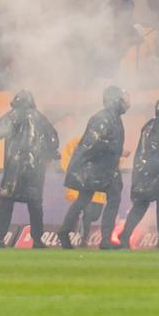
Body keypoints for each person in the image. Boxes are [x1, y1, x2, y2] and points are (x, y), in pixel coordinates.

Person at [0, 89, 60, 248]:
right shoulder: (41, 118)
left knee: (6, 203)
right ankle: (37, 240)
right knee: (35, 205)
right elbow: (53, 139)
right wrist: (51, 154)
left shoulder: (12, 115)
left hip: (13, 168)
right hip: (35, 169)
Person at [58, 86, 129, 250]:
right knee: (112, 198)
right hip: (96, 168)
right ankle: (104, 240)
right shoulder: (104, 118)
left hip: (98, 167)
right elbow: (94, 143)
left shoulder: (110, 117)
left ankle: (65, 232)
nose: (126, 103)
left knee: (85, 199)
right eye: (123, 99)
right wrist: (118, 151)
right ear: (115, 100)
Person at [119, 96, 159, 250]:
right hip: (154, 173)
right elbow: (157, 152)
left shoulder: (154, 125)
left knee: (146, 205)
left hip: (148, 172)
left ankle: (128, 235)